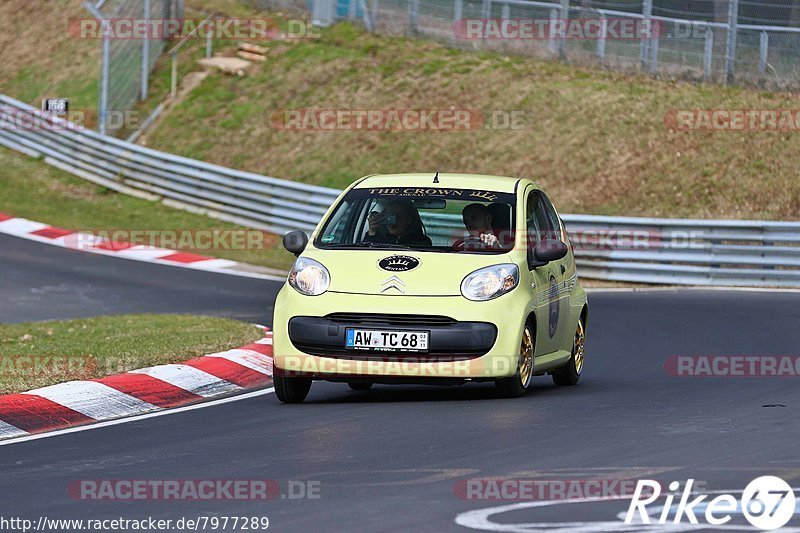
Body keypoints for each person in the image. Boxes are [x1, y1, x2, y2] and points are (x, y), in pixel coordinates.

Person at [364, 200, 432, 246]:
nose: (394, 220)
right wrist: (372, 233)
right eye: (389, 216)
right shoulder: (381, 240)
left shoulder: (421, 242)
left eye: (398, 216)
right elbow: (365, 254)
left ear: (408, 220)